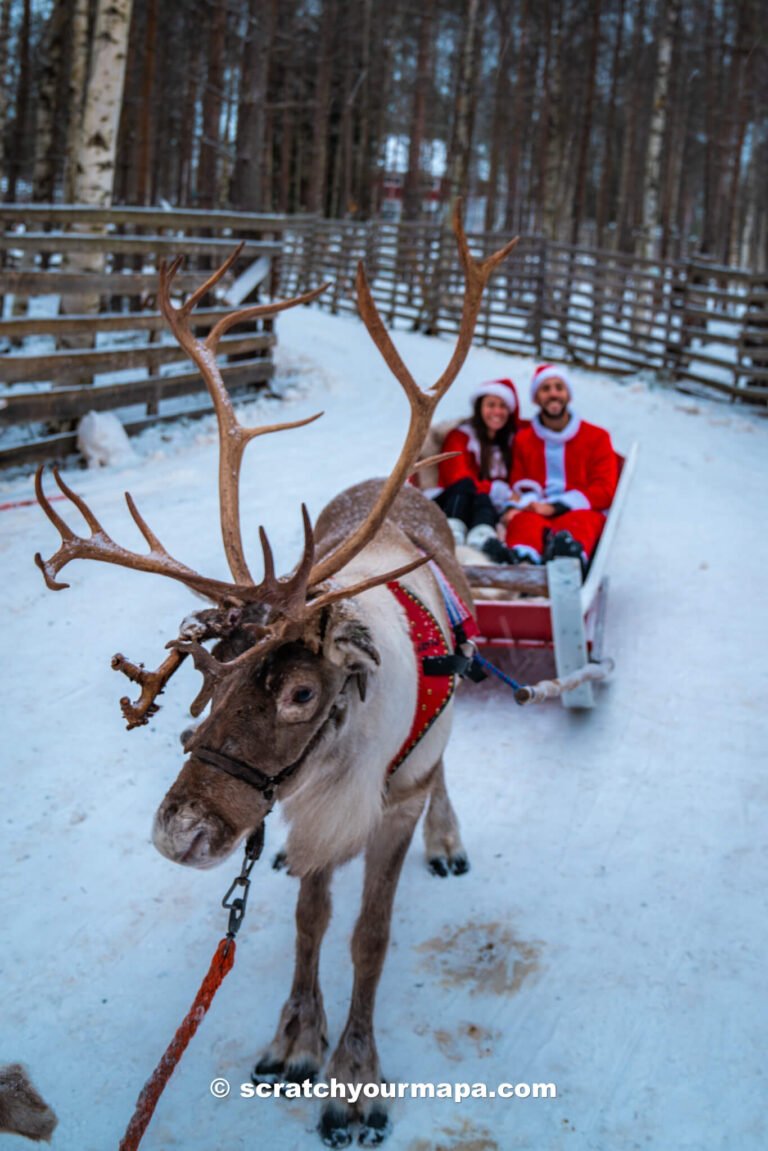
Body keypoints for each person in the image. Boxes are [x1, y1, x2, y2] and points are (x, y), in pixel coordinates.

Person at [483, 364, 618, 568]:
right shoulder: (524, 440)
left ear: (568, 395)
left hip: (581, 511)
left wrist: (556, 506)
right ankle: (521, 562)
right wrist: (527, 504)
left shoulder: (597, 437)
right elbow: (520, 484)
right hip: (538, 509)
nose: (553, 393)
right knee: (523, 521)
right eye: (545, 389)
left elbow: (605, 490)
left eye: (558, 387)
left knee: (579, 524)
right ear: (536, 398)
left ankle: (568, 560)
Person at [433, 378, 521, 550]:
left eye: (502, 406)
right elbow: (457, 477)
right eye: (491, 405)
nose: (497, 411)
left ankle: (482, 537)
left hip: (486, 507)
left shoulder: (510, 443)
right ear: (479, 407)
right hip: (453, 501)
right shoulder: (459, 437)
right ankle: (454, 531)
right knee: (467, 488)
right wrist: (496, 490)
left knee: (483, 498)